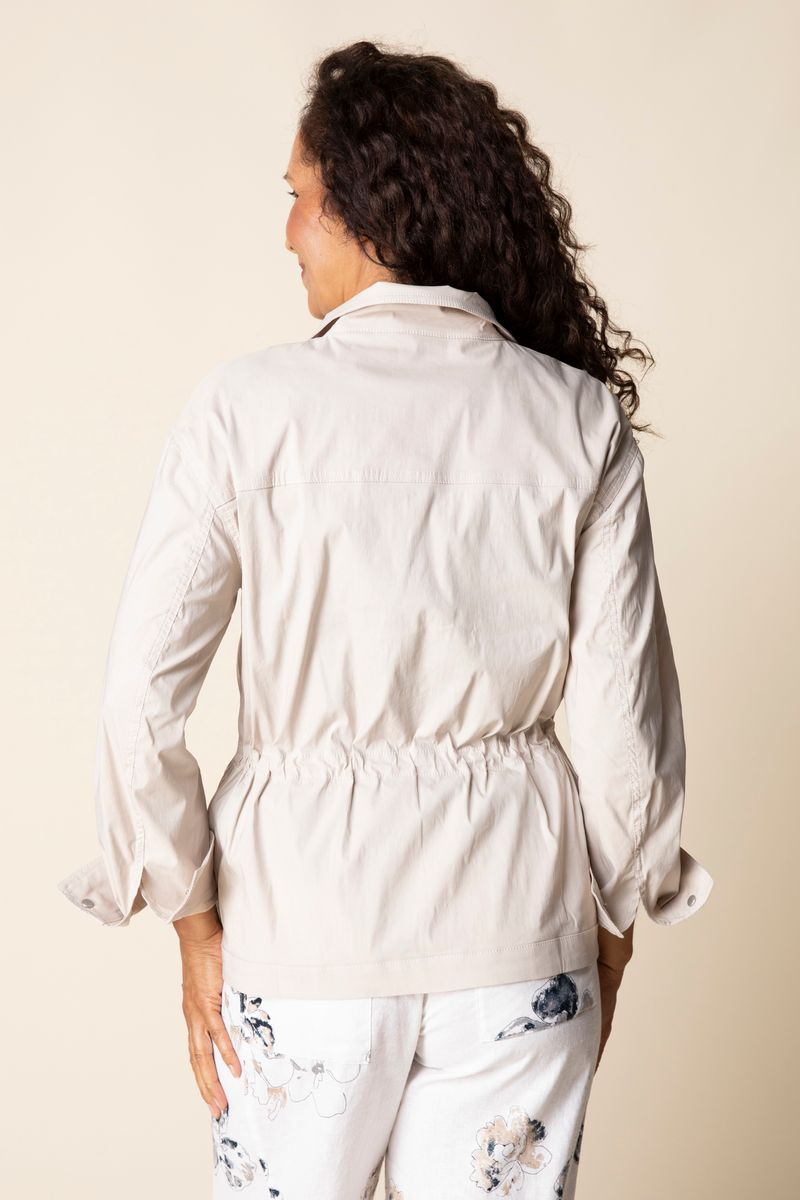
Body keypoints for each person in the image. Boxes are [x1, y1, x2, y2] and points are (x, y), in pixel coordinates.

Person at [57, 40, 713, 1199]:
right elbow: (628, 731)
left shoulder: (244, 409)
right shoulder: (573, 419)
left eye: (298, 197)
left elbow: (137, 707)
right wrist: (608, 934)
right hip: (516, 937)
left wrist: (194, 925)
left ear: (365, 204)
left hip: (298, 938)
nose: (287, 234)